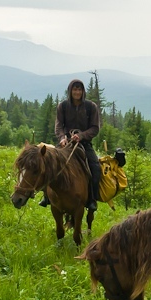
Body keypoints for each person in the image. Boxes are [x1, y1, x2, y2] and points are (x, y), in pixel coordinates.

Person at [39, 79, 101, 211]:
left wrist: (82, 135)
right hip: (65, 143)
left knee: (95, 168)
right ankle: (46, 196)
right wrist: (62, 137)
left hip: (84, 144)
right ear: (70, 91)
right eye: (75, 89)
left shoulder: (91, 107)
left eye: (79, 89)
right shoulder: (63, 106)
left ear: (83, 91)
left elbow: (95, 128)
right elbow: (58, 125)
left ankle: (92, 199)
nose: (77, 92)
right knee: (48, 163)